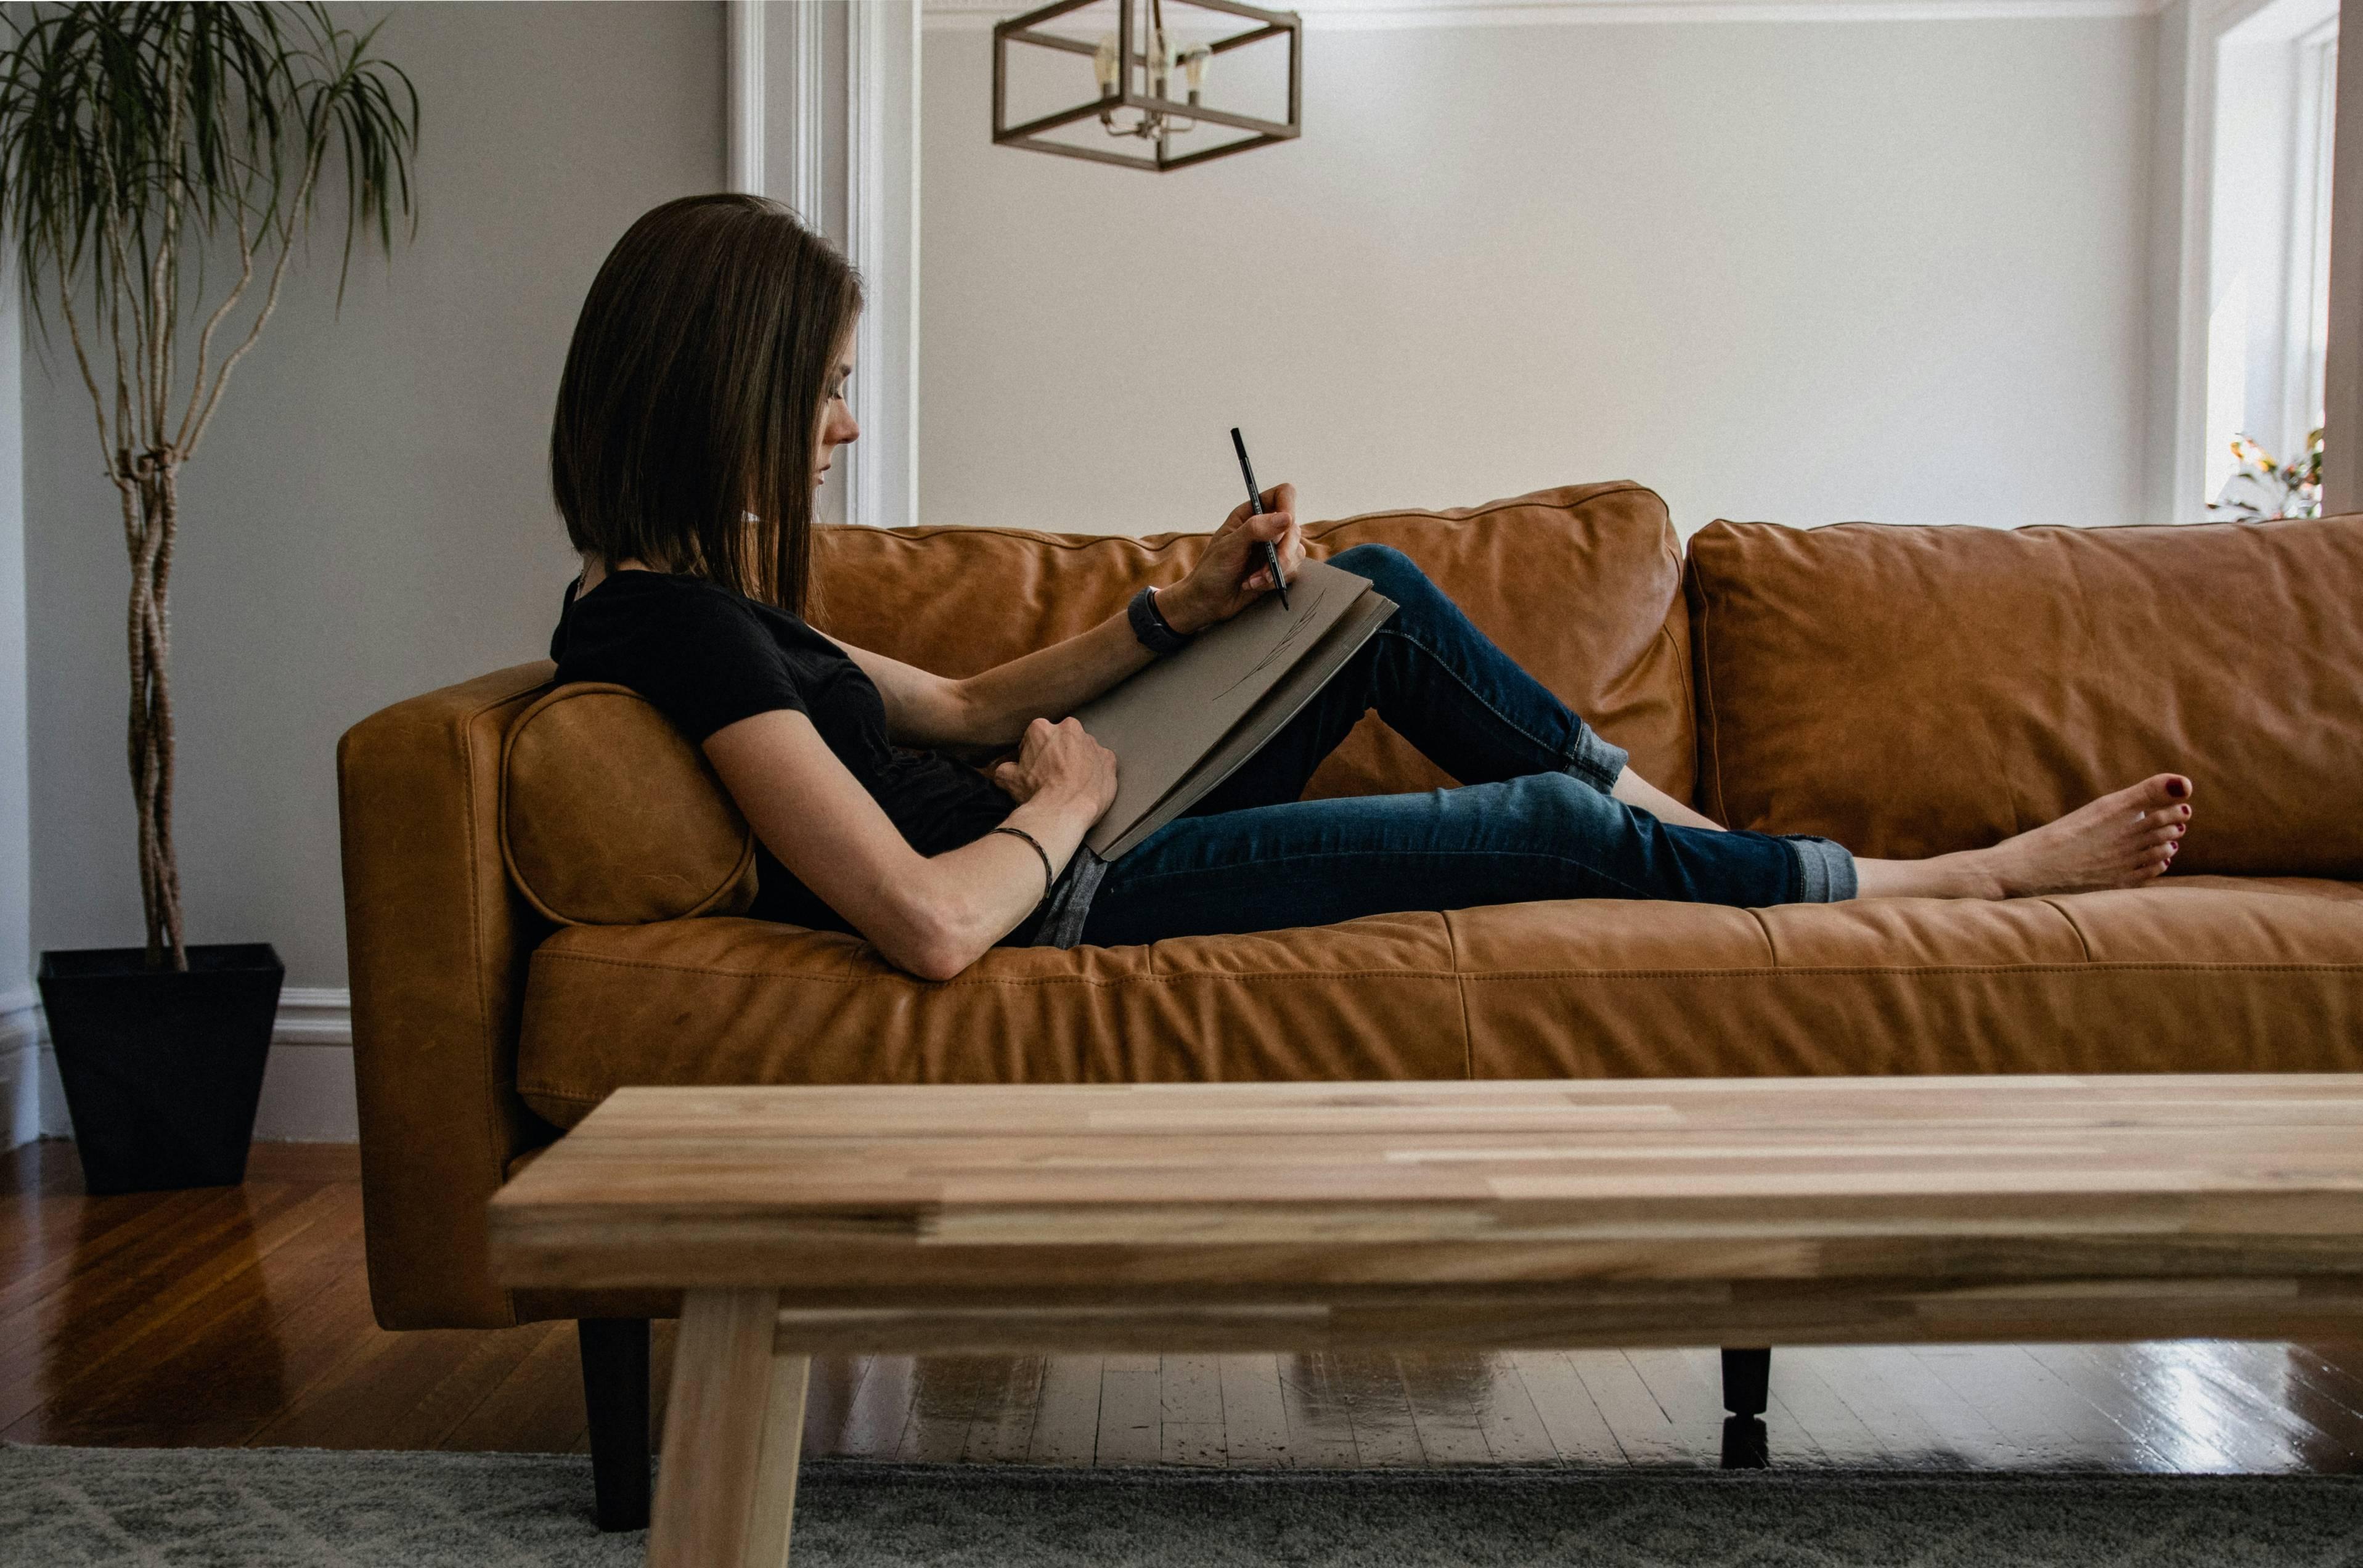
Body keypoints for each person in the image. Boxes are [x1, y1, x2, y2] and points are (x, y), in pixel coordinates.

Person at [548, 194, 2192, 982]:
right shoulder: (665, 629)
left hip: (1066, 825)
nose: (843, 423)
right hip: (1055, 883)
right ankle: (1933, 886)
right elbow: (919, 922)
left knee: (1371, 593)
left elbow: (965, 706)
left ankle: (1719, 853)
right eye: (824, 386)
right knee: (1542, 833)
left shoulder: (709, 598)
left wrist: (1183, 610)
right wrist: (1056, 809)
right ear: (724, 383)